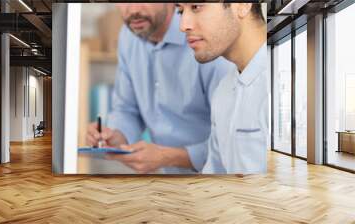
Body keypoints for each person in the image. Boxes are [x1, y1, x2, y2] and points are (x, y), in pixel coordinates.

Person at [86, 3, 235, 174]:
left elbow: (232, 142)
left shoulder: (207, 40)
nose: (133, 10)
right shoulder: (128, 36)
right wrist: (115, 137)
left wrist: (168, 157)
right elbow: (127, 110)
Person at [177, 3, 269, 174]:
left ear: (242, 5)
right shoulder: (223, 91)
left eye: (196, 6)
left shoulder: (280, 85)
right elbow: (214, 176)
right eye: (180, 11)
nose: (183, 25)